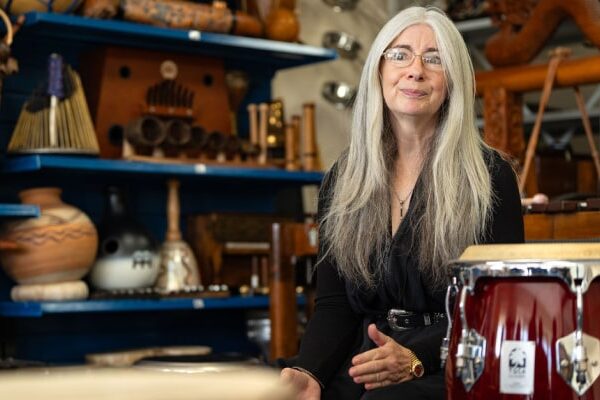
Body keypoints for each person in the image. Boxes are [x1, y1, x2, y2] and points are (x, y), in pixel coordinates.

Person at [279, 5, 525, 400]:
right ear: (378, 70)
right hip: (365, 358)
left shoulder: (490, 177)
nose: (415, 70)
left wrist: (417, 356)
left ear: (454, 81)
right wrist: (309, 371)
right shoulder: (343, 180)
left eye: (434, 59)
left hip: (451, 359)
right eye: (400, 54)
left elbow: (498, 308)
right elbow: (335, 304)